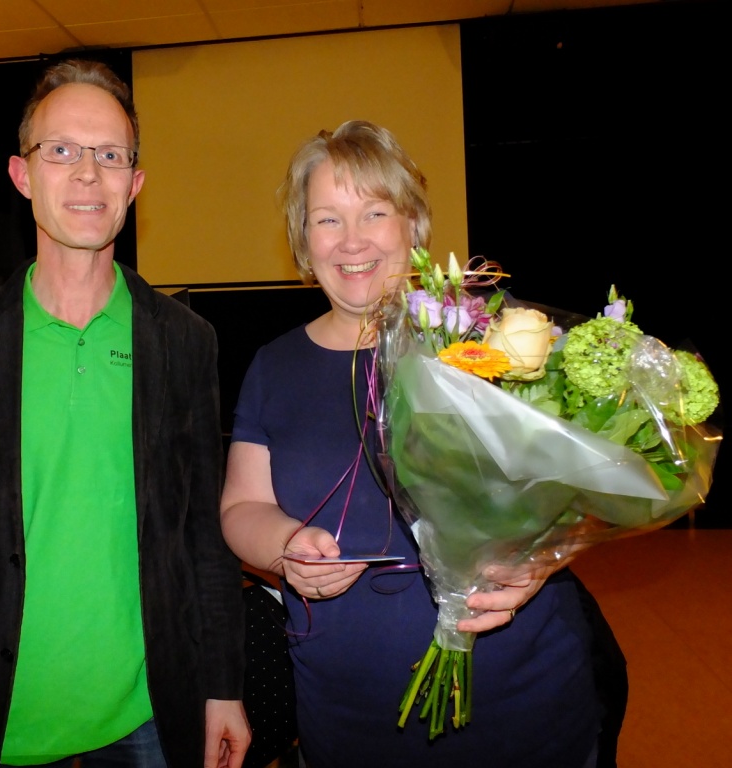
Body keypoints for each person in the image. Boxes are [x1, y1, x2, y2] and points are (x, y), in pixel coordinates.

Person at [0, 58, 250, 768]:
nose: (87, 174)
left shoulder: (184, 341)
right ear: (21, 175)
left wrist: (221, 687)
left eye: (110, 155)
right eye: (61, 151)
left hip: (148, 716)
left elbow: (203, 535)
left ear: (134, 184)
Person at [219, 120, 615, 767]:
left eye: (374, 212)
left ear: (413, 225)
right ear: (302, 240)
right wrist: (284, 546)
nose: (351, 240)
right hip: (346, 714)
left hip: (523, 701)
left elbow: (585, 486)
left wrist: (538, 560)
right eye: (326, 219)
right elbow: (241, 506)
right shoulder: (274, 366)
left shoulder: (489, 340)